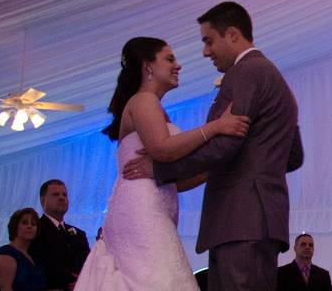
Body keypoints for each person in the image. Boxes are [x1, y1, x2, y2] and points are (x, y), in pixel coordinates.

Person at [122, 3, 305, 291]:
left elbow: (225, 145)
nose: (206, 51)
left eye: (209, 40)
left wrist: (160, 168)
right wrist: (257, 160)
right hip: (262, 218)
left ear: (232, 35)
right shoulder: (276, 79)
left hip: (240, 218)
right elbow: (294, 157)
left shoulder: (244, 72)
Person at [74, 36, 251, 291]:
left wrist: (215, 170)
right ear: (148, 66)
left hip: (155, 205)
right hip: (140, 209)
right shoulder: (143, 100)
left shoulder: (154, 106)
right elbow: (162, 149)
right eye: (169, 59)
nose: (178, 65)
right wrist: (215, 127)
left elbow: (175, 179)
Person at [28, 179, 89, 290]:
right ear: (42, 201)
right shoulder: (36, 230)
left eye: (65, 195)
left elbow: (89, 264)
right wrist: (70, 280)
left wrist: (83, 281)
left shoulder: (79, 234)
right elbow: (42, 262)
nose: (62, 197)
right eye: (55, 194)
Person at [0, 208, 45, 291]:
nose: (29, 226)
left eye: (33, 224)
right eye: (24, 223)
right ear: (15, 227)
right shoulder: (6, 253)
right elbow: (5, 288)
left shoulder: (34, 257)